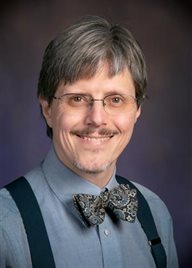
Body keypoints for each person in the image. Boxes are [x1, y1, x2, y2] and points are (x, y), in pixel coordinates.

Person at [0, 15, 178, 268]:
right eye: (77, 98)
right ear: (47, 108)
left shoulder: (155, 213)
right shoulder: (5, 223)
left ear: (137, 109)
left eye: (115, 99)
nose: (97, 119)